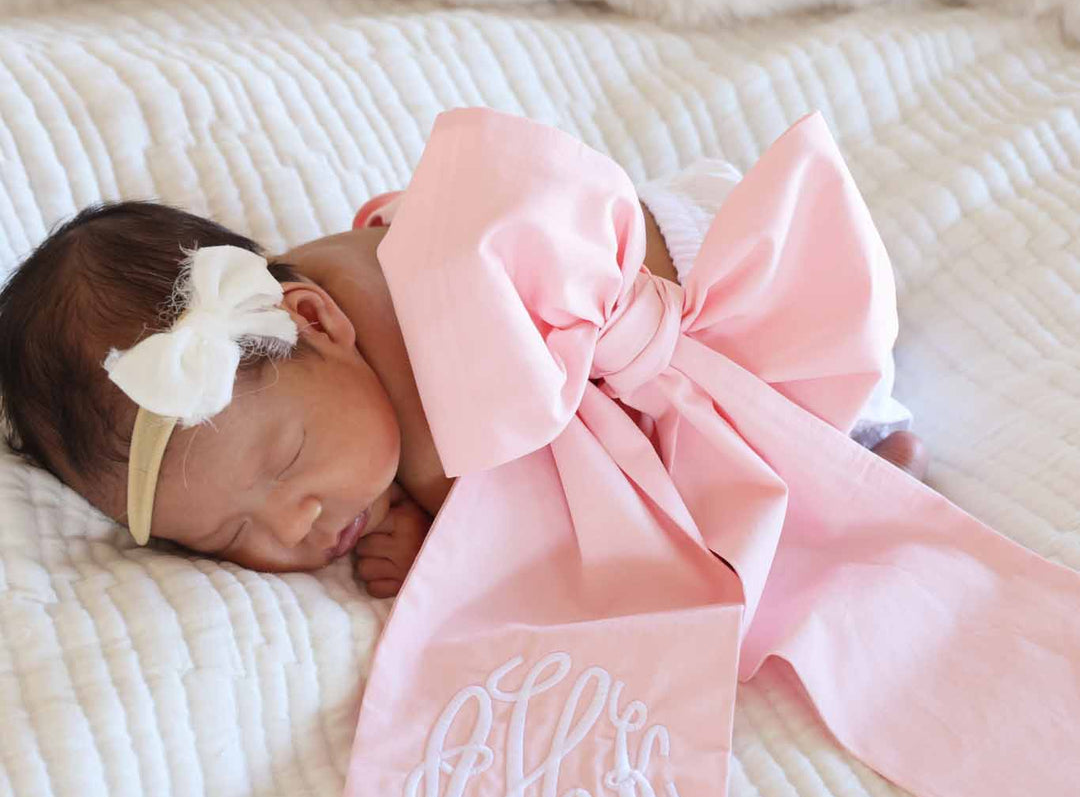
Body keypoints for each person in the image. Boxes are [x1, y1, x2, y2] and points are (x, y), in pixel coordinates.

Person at [0, 142, 926, 599]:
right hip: (603, 299)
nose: (295, 524)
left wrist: (432, 523)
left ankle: (863, 439)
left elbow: (521, 511)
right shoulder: (305, 337)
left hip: (714, 280)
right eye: (229, 533)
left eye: (284, 464)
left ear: (314, 320)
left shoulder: (405, 341)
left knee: (750, 449)